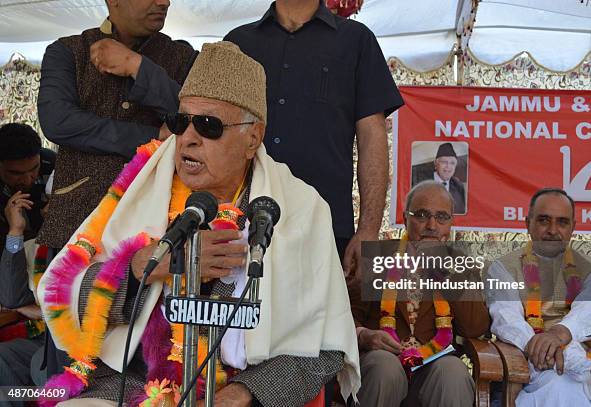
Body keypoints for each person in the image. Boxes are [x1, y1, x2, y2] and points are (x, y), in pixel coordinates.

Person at [38, 41, 360, 407]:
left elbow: (326, 345)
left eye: (208, 125)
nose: (188, 138)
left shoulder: (303, 210)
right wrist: (145, 266)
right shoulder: (138, 190)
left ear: (253, 137)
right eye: (180, 121)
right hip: (131, 386)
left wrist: (246, 394)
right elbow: (62, 293)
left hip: (238, 391)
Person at [224, 0, 404, 276]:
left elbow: (372, 139)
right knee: (243, 318)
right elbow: (215, 133)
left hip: (324, 228)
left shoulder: (356, 41)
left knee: (320, 319)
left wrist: (368, 229)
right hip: (241, 226)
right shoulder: (238, 43)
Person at [36, 0, 197, 252]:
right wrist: (152, 136)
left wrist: (138, 67)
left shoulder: (185, 57)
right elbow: (58, 121)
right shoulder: (67, 50)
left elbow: (193, 116)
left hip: (155, 222)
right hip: (77, 219)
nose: (164, 2)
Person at [349, 181, 490, 406]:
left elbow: (476, 327)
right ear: (406, 219)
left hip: (435, 367)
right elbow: (346, 316)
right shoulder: (375, 258)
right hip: (383, 360)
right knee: (385, 367)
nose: (432, 225)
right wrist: (365, 335)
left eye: (442, 217)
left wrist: (447, 275)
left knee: (453, 372)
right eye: (422, 215)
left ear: (450, 224)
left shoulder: (460, 264)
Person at [485, 188, 591, 407]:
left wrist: (559, 334)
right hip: (533, 368)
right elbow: (507, 319)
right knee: (560, 386)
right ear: (528, 224)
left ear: (573, 227)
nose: (553, 230)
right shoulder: (502, 268)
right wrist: (543, 348)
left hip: (589, 365)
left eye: (562, 222)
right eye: (544, 220)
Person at [0, 123, 54, 402]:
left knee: (43, 369)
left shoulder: (52, 167)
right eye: (16, 174)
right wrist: (15, 232)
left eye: (33, 170)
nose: (29, 179)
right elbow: (9, 292)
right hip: (18, 261)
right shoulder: (14, 235)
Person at [412, 142, 466, 214]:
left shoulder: (459, 187)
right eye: (444, 162)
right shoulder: (418, 181)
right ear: (435, 163)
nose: (448, 166)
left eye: (452, 163)